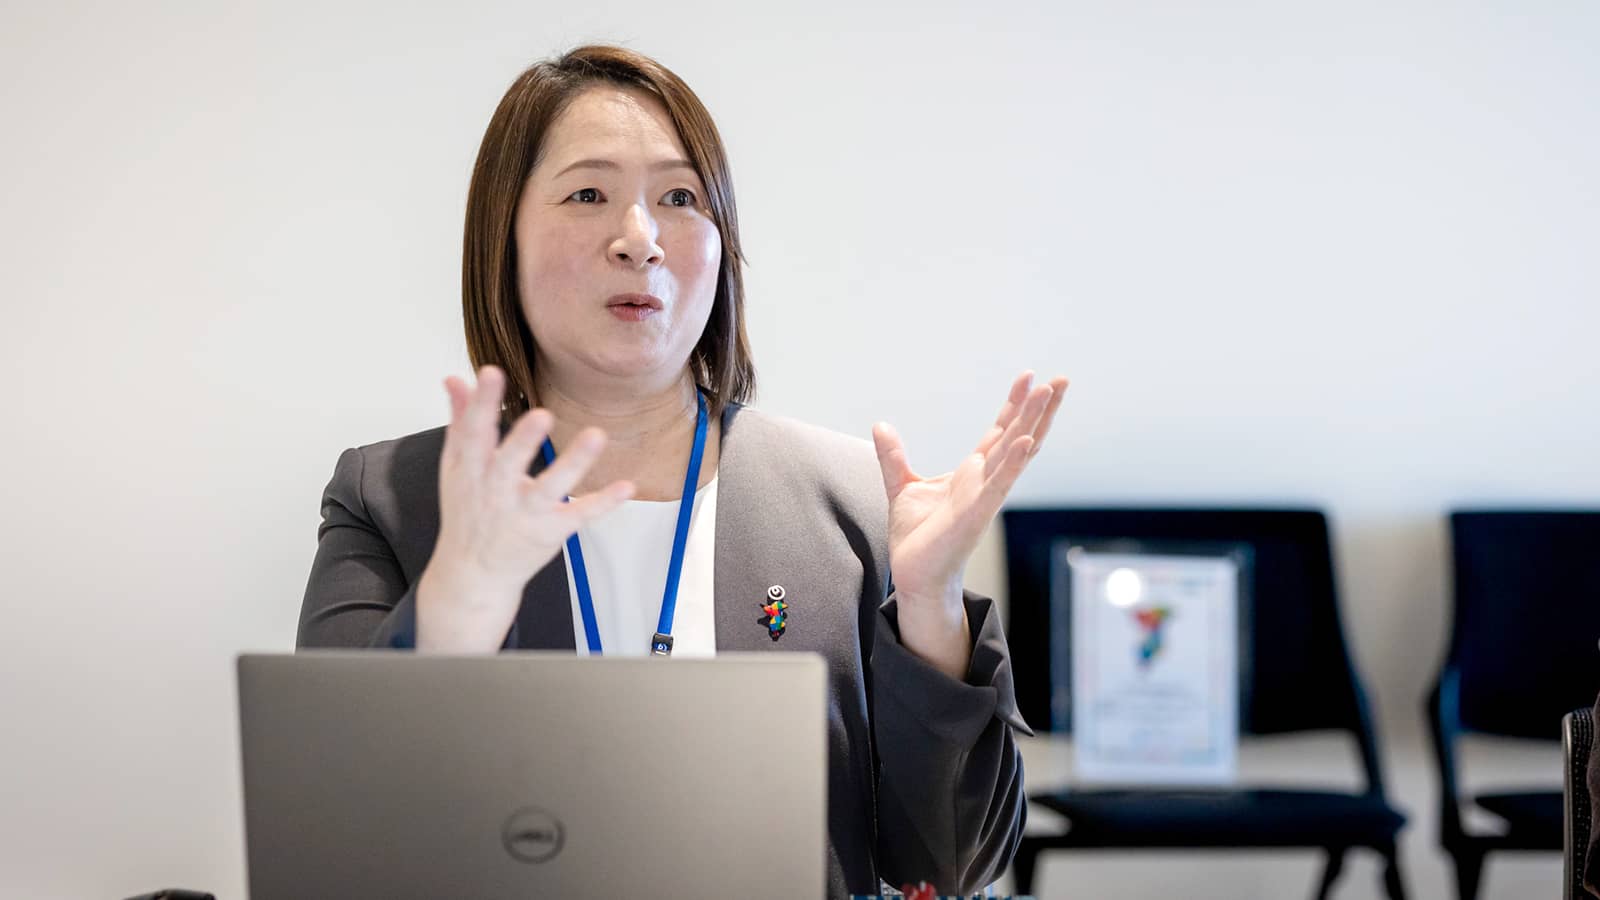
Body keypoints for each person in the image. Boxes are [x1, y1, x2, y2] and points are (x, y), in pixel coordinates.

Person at [296, 44, 1068, 898]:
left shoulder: (854, 503)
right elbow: (332, 839)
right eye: (588, 194)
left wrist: (931, 610)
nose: (640, 240)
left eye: (680, 199)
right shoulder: (393, 498)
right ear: (500, 236)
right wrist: (455, 609)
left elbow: (954, 863)